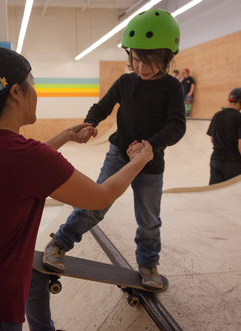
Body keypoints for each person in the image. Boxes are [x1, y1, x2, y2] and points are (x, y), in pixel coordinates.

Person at [0, 46, 154, 331]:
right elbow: (100, 197)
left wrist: (63, 136)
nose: (36, 92)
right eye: (32, 83)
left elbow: (14, 169)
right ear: (16, 92)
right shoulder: (25, 157)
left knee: (34, 279)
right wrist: (141, 160)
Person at [43, 9, 186, 291]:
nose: (141, 67)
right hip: (119, 156)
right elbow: (102, 107)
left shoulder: (172, 88)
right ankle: (59, 244)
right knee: (94, 205)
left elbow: (177, 126)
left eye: (150, 61)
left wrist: (151, 146)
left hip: (150, 164)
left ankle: (148, 265)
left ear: (168, 58)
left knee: (148, 221)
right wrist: (91, 124)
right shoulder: (125, 82)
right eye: (135, 59)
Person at [207, 87, 241, 185]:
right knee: (233, 193)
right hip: (234, 163)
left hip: (216, 160)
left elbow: (212, 139)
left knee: (214, 191)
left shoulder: (217, 115)